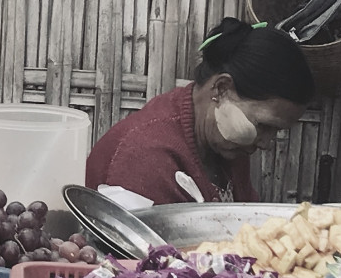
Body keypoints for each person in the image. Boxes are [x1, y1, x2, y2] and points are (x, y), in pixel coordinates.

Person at [83, 19, 313, 205]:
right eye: (264, 126)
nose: (265, 143)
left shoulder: (229, 144)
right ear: (221, 88)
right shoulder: (144, 156)